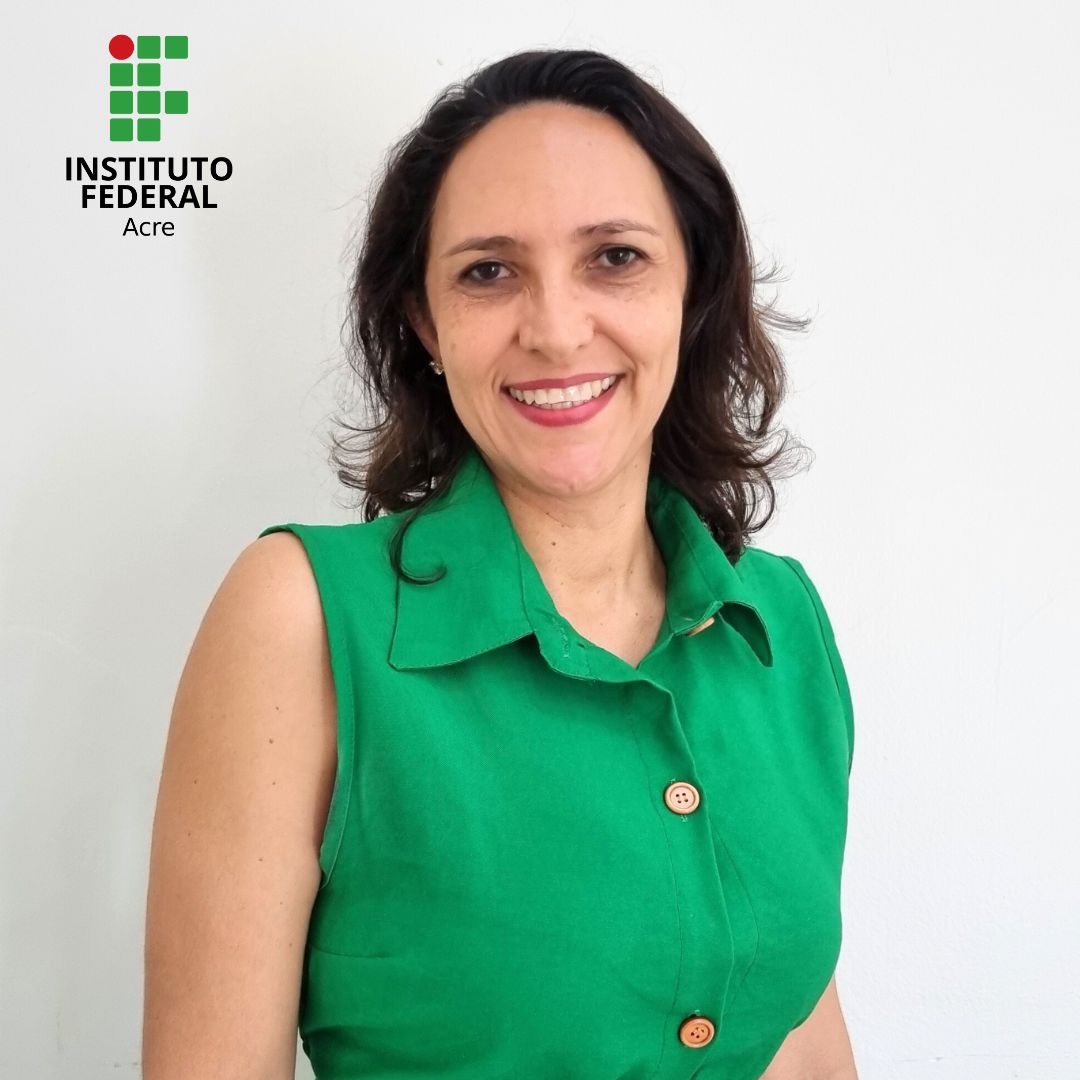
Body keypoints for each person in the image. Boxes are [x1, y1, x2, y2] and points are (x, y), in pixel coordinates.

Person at [142, 48, 858, 1080]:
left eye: (616, 256)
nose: (557, 331)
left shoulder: (781, 621)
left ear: (693, 285)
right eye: (488, 271)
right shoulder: (302, 618)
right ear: (424, 322)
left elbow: (796, 1033)